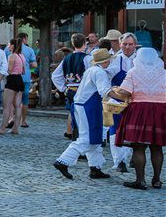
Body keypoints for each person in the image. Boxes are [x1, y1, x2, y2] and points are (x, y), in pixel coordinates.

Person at [109, 46, 166, 189]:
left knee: (138, 147)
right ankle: (157, 180)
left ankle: (140, 181)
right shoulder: (164, 73)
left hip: (139, 110)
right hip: (160, 110)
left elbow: (125, 92)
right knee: (157, 147)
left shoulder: (133, 72)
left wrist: (111, 91)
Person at [53, 48, 113, 180]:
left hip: (81, 104)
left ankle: (95, 167)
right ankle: (63, 161)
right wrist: (118, 96)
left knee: (94, 136)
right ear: (106, 61)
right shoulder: (100, 72)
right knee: (86, 138)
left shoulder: (91, 70)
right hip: (89, 107)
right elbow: (104, 91)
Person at [105, 33, 137, 172]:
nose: (128, 47)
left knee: (133, 130)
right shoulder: (114, 60)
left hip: (136, 101)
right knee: (115, 130)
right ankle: (119, 161)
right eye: (125, 44)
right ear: (120, 44)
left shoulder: (141, 60)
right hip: (117, 101)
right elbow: (105, 77)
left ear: (135, 45)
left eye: (130, 44)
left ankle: (130, 156)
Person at [53, 34, 89, 140]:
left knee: (73, 112)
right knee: (82, 115)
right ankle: (79, 137)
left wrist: (63, 88)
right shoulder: (87, 58)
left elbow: (55, 75)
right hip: (83, 90)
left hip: (70, 89)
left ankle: (73, 134)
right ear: (84, 44)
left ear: (73, 44)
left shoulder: (67, 58)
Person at [0, 39, 26, 136]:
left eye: (9, 44)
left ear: (13, 46)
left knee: (7, 106)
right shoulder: (21, 56)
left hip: (12, 80)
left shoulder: (11, 56)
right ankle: (15, 128)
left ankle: (2, 128)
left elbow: (9, 70)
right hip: (19, 79)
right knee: (18, 105)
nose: (8, 46)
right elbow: (23, 71)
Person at [16, 31, 36, 128]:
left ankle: (13, 120)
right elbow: (34, 64)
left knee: (14, 100)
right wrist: (30, 65)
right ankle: (23, 121)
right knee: (24, 100)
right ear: (24, 39)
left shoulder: (9, 49)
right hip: (26, 77)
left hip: (14, 77)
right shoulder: (29, 50)